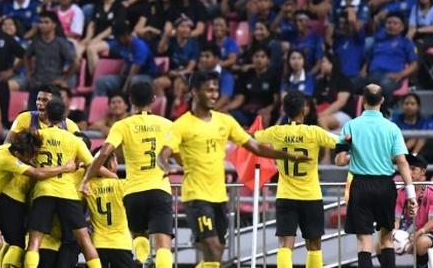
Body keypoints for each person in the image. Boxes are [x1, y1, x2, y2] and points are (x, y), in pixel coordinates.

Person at [159, 70, 308, 267]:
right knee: (212, 246)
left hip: (220, 197)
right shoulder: (182, 125)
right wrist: (167, 166)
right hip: (196, 197)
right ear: (195, 91)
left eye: (215, 90)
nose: (214, 95)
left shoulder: (225, 121)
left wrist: (288, 156)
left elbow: (255, 147)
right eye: (209, 90)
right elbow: (163, 154)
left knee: (218, 251)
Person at [81, 81, 174, 267]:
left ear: (130, 100)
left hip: (133, 192)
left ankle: (140, 262)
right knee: (163, 244)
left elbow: (104, 153)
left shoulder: (122, 126)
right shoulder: (167, 124)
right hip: (160, 189)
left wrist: (87, 178)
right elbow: (180, 153)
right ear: (154, 100)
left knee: (139, 236)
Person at [0, 130, 75, 268]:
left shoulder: (1, 149)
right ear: (18, 153)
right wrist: (64, 168)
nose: (29, 159)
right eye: (28, 156)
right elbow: (37, 173)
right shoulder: (8, 160)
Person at [334, 84, 418, 268]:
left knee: (364, 243)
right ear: (382, 100)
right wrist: (411, 195)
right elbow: (402, 161)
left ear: (362, 101)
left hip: (360, 186)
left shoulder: (351, 126)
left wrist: (352, 153)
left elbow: (339, 161)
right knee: (387, 240)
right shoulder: (392, 128)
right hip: (385, 186)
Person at [254, 90, 338, 268]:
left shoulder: (276, 132)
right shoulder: (314, 132)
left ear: (284, 110)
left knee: (285, 245)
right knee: (314, 246)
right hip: (311, 196)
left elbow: (253, 138)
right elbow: (341, 142)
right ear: (304, 109)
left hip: (285, 195)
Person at [22, 98, 101, 268]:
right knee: (85, 241)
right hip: (68, 193)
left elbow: (23, 158)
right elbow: (92, 164)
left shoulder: (37, 135)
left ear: (47, 115)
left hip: (44, 191)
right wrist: (86, 182)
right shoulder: (75, 140)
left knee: (35, 242)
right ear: (64, 116)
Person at [82, 147, 134, 267]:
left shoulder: (88, 186)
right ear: (111, 164)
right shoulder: (122, 185)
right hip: (120, 243)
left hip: (97, 244)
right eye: (115, 160)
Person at [393, 153, 433, 268]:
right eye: (407, 168)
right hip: (407, 231)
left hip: (428, 232)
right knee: (380, 244)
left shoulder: (432, 191)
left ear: (423, 172)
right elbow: (396, 219)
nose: (409, 172)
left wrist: (418, 233)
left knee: (420, 243)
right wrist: (393, 232)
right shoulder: (401, 192)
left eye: (413, 169)